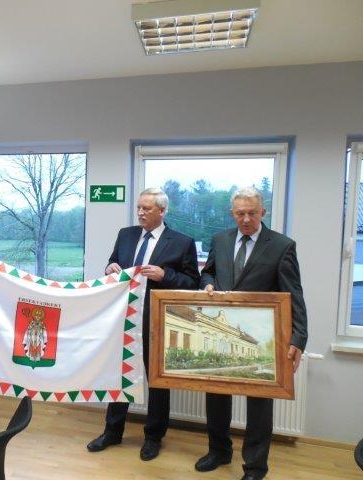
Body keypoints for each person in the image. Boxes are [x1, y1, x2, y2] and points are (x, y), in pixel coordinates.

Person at [195, 187, 308, 480]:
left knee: (259, 404)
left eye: (252, 213)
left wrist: (298, 338)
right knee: (216, 394)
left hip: (261, 335)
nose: (246, 219)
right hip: (223, 330)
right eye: (240, 213)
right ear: (232, 213)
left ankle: (255, 467)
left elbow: (293, 293)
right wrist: (207, 284)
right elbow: (208, 271)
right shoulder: (220, 240)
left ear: (263, 213)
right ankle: (219, 451)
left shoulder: (282, 246)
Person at [87, 188, 200, 461]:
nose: (140, 213)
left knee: (157, 383)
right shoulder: (125, 235)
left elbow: (192, 283)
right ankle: (112, 432)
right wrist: (109, 268)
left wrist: (165, 275)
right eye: (139, 207)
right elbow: (112, 262)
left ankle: (153, 438)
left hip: (157, 322)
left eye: (146, 209)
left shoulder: (182, 242)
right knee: (120, 376)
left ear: (162, 211)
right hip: (124, 319)